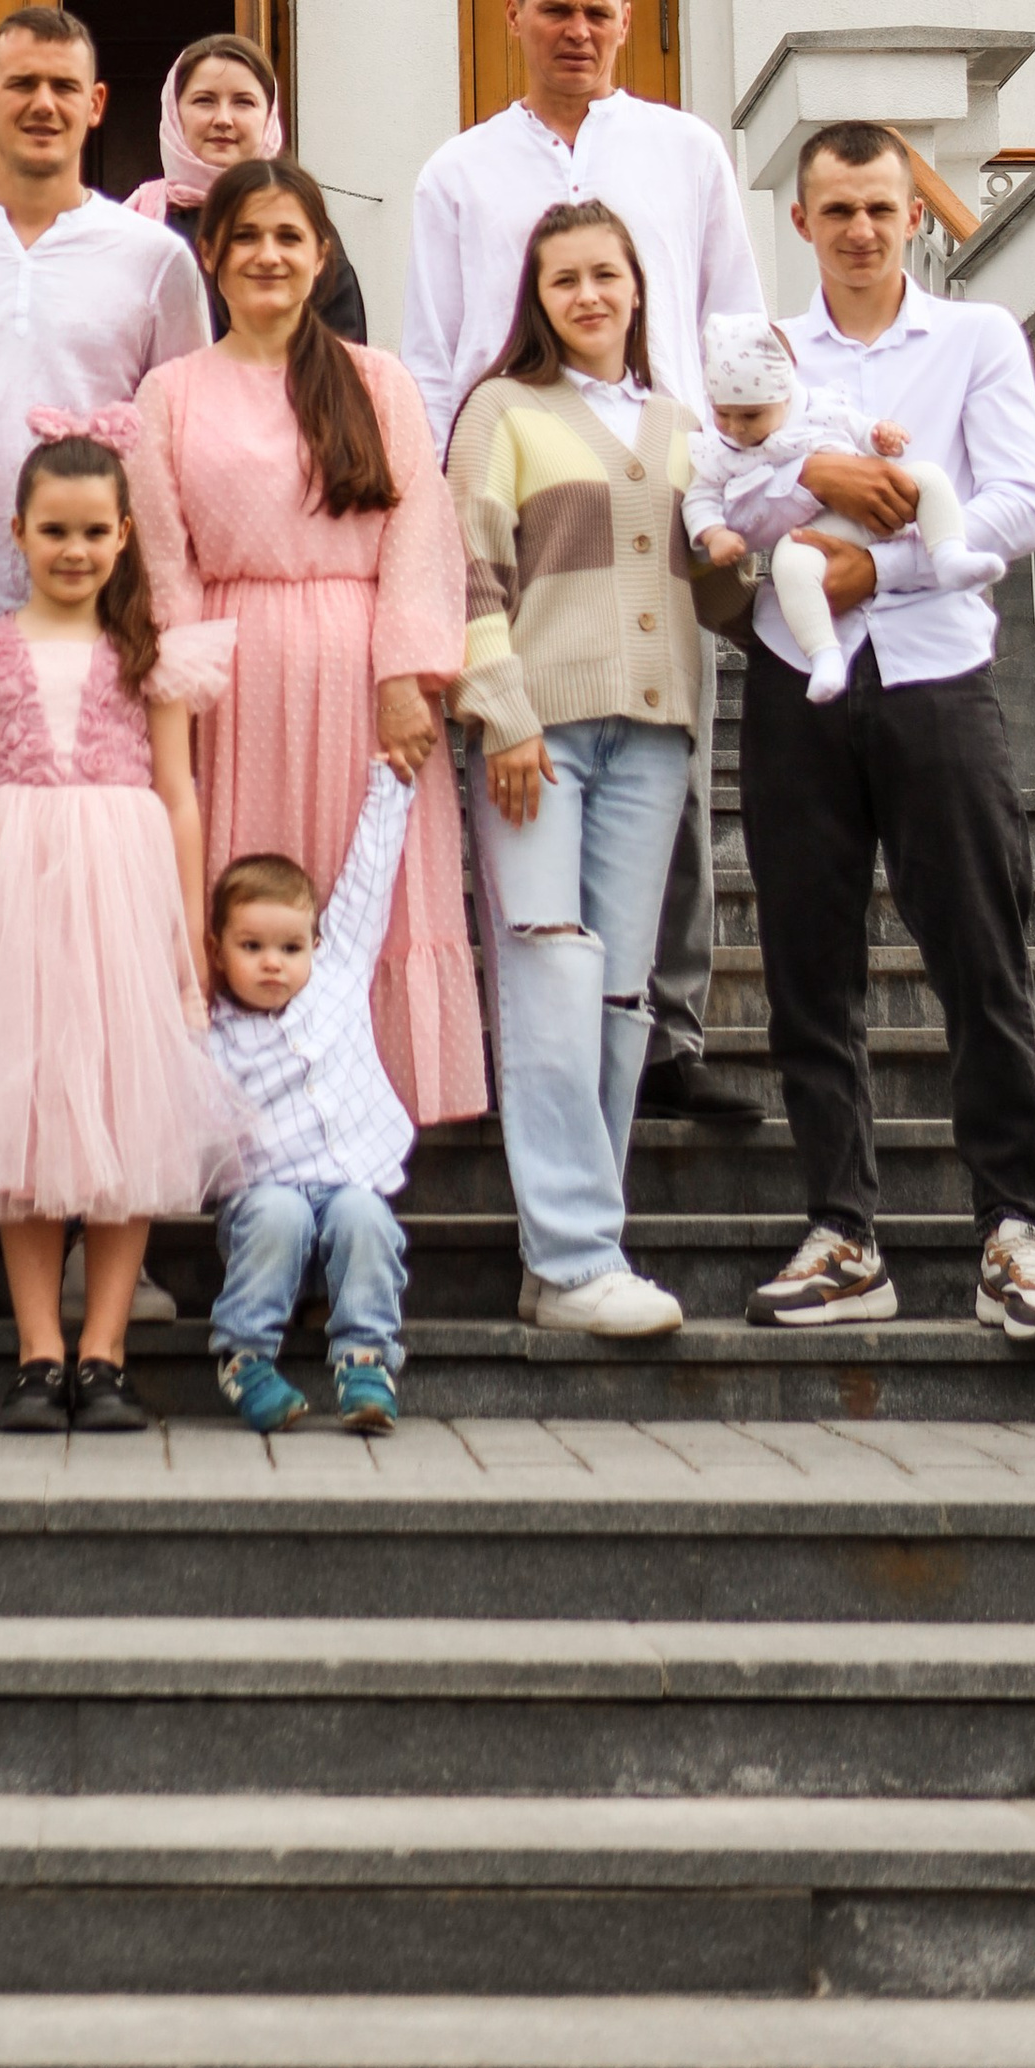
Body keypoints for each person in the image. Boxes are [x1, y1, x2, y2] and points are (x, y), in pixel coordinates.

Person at [0, 6, 212, 1325]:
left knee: (97, 965)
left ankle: (100, 1227)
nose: (42, 105)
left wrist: (161, 613)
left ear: (97, 101)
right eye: (19, 84)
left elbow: (175, 439)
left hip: (97, 644)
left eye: (65, 85)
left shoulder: (151, 258)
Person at [402, 0, 764, 1129]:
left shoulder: (683, 150)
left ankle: (666, 1034)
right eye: (554, 9)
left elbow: (731, 323)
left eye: (597, 11)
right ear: (512, 14)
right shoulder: (460, 172)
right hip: (521, 495)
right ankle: (534, 1044)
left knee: (675, 780)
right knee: (518, 774)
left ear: (625, 19)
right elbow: (435, 352)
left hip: (660, 491)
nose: (577, 30)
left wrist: (739, 479)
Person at [739, 123, 1035, 1343]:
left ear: (914, 217)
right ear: (800, 221)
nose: (860, 230)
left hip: (939, 676)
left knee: (982, 956)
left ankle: (1014, 1231)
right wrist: (818, 486)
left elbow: (1021, 504)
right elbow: (725, 494)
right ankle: (843, 1235)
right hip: (797, 683)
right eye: (836, 209)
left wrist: (873, 572)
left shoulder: (975, 336)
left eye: (880, 208)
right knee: (807, 969)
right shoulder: (767, 350)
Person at [0, 431, 245, 1433]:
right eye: (53, 531)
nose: (73, 550)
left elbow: (178, 795)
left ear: (123, 535)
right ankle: (37, 1352)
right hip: (12, 898)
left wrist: (186, 931)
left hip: (121, 895)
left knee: (125, 1109)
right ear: (17, 532)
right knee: (22, 1115)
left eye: (92, 532)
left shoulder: (152, 652)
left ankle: (105, 1351)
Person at [134, 157, 482, 1133]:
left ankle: (366, 1143)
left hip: (359, 674)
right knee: (242, 893)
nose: (268, 255)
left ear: (322, 255)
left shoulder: (377, 381)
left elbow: (420, 530)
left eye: (289, 236)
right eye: (245, 236)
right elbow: (162, 555)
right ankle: (243, 1133)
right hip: (228, 683)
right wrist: (177, 690)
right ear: (210, 253)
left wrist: (405, 673)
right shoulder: (169, 391)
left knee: (363, 895)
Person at [449, 199, 703, 1338]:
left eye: (606, 274)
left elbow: (717, 583)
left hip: (652, 737)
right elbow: (470, 568)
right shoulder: (502, 408)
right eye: (565, 280)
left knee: (615, 995)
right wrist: (502, 712)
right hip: (537, 737)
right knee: (548, 974)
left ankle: (567, 1259)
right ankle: (577, 1253)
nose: (589, 295)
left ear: (637, 285)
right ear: (538, 299)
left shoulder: (680, 422)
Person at [203, 760, 416, 1435]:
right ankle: (245, 1357)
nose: (273, 961)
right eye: (252, 946)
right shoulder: (213, 1036)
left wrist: (392, 785)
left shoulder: (337, 974)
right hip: (264, 1199)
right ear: (217, 951)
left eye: (291, 946)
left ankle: (365, 1359)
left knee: (367, 1216)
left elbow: (368, 883)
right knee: (279, 1215)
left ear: (316, 945)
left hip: (348, 1181)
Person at [686, 310, 1000, 707]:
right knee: (789, 564)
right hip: (818, 533)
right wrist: (713, 532)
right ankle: (824, 654)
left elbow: (859, 426)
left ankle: (949, 554)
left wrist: (879, 435)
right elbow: (699, 496)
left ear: (785, 395)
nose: (736, 427)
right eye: (723, 413)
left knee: (929, 478)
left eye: (751, 415)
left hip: (883, 510)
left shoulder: (819, 408)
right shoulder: (719, 450)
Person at [130, 34, 366, 344]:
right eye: (204, 100)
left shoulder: (300, 224)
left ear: (268, 117)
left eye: (243, 102)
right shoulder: (138, 221)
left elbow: (339, 354)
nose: (223, 119)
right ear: (174, 112)